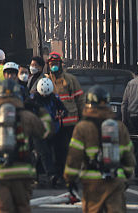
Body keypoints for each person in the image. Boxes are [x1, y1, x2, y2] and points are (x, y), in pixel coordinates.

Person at [0, 79, 45, 213]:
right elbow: (45, 131)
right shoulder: (27, 116)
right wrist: (40, 109)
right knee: (23, 208)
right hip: (23, 173)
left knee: (2, 209)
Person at [65, 86, 135, 213]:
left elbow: (74, 157)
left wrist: (70, 179)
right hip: (115, 180)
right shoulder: (119, 126)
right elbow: (129, 157)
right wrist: (126, 175)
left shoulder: (82, 127)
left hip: (92, 183)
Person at [47, 51, 84, 181]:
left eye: (56, 64)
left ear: (61, 64)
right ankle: (59, 173)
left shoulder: (70, 79)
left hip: (70, 122)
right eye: (52, 64)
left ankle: (71, 173)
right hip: (55, 123)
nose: (54, 66)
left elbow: (80, 99)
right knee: (57, 150)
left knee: (70, 150)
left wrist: (82, 117)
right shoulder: (46, 81)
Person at [31, 77, 66, 185]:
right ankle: (47, 175)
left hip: (53, 129)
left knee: (56, 152)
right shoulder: (33, 99)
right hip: (38, 130)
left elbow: (64, 109)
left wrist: (61, 114)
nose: (45, 97)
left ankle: (57, 174)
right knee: (43, 153)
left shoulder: (54, 98)